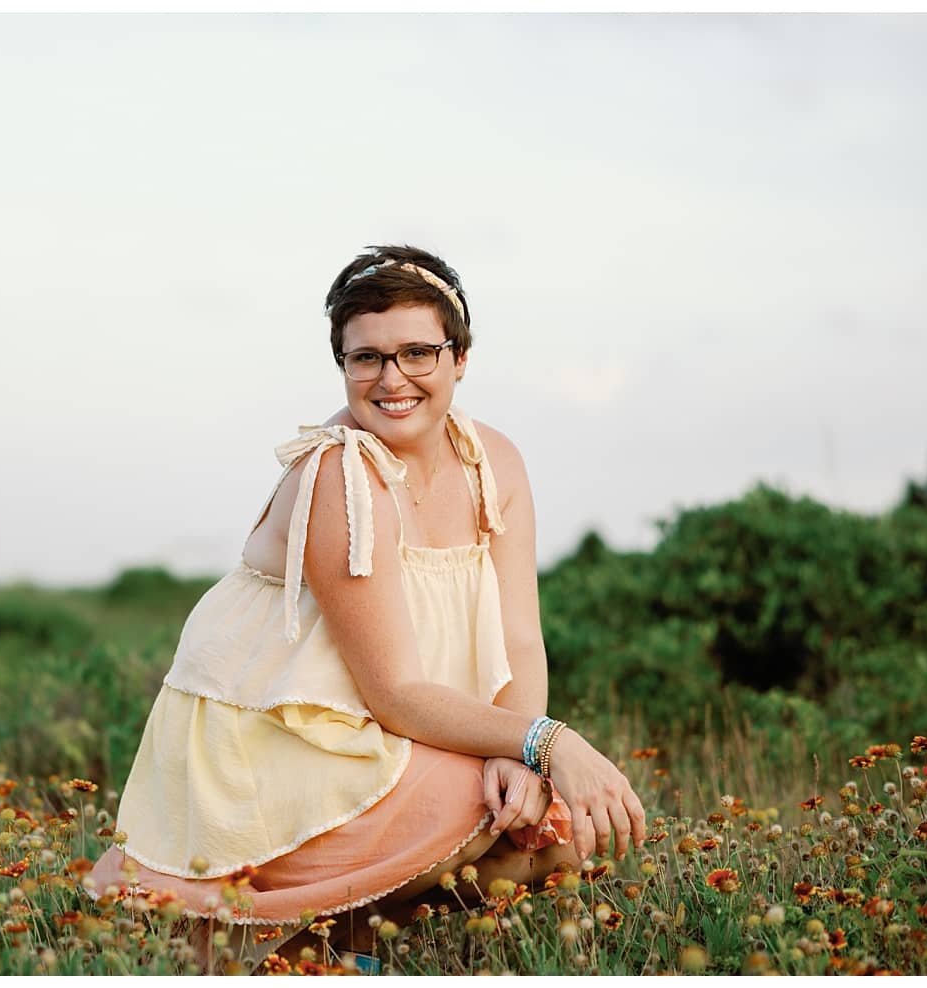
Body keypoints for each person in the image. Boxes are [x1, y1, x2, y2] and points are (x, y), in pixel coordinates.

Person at [84, 245, 647, 970]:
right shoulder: (342, 475)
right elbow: (394, 693)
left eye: (418, 352)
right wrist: (550, 744)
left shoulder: (493, 461)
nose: (392, 379)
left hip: (379, 728)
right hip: (280, 737)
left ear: (460, 358)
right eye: (366, 359)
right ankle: (276, 938)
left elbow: (519, 637)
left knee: (551, 832)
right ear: (343, 365)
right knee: (482, 816)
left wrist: (521, 757)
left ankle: (332, 940)